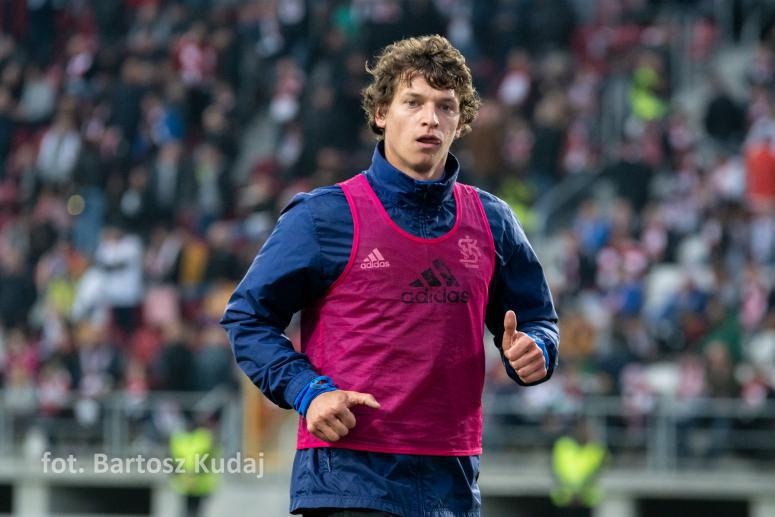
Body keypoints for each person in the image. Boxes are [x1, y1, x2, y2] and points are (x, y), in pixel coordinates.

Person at [221, 34, 559, 517]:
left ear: (461, 121)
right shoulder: (323, 216)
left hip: (452, 483)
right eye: (413, 102)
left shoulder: (493, 221)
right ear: (381, 113)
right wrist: (306, 391)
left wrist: (537, 348)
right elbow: (247, 317)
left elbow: (537, 319)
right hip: (349, 480)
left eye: (446, 106)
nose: (430, 119)